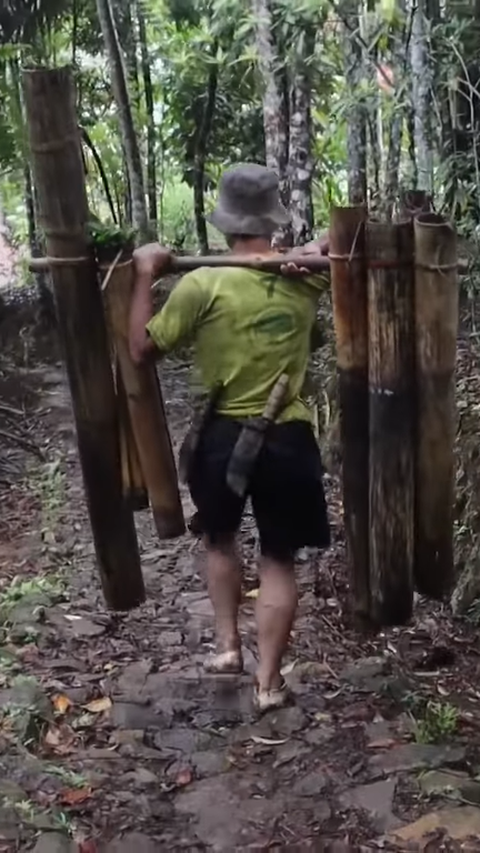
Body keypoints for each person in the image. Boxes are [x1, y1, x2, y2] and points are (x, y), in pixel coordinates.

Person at [129, 163, 330, 713]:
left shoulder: (202, 282)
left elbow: (142, 349)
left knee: (218, 538)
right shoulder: (308, 277)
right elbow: (347, 237)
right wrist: (308, 251)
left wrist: (146, 273)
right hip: (289, 440)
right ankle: (268, 683)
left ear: (225, 224)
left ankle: (227, 648)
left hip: (222, 436)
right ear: (272, 220)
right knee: (278, 558)